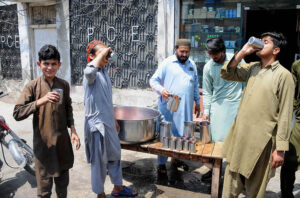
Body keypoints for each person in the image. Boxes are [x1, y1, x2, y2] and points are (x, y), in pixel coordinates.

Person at [220, 32, 294, 198]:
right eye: (260, 41)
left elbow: (286, 113)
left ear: (276, 50)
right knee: (229, 186)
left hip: (262, 143)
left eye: (265, 42)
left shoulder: (284, 76)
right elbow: (227, 74)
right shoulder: (252, 68)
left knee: (255, 189)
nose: (260, 44)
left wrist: (280, 149)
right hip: (240, 138)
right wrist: (243, 53)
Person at [13, 45, 81, 198]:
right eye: (46, 64)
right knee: (44, 192)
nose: (49, 68)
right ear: (39, 64)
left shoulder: (63, 85)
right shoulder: (32, 86)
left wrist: (73, 130)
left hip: (62, 146)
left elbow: (68, 107)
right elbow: (17, 113)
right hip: (43, 148)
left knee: (62, 190)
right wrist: (40, 101)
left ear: (59, 65)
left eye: (53, 64)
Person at [83, 40, 137, 198]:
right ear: (92, 56)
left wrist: (113, 119)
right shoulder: (91, 73)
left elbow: (106, 99)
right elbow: (88, 72)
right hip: (97, 126)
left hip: (108, 123)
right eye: (100, 53)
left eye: (105, 53)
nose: (105, 56)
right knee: (99, 162)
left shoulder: (104, 72)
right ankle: (100, 193)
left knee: (115, 155)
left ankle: (118, 188)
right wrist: (100, 56)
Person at [149, 39, 201, 178]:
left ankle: (176, 158)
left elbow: (195, 84)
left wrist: (197, 101)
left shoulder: (192, 65)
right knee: (166, 135)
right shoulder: (167, 63)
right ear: (175, 49)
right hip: (169, 107)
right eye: (181, 51)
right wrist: (162, 90)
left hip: (186, 107)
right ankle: (161, 163)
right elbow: (153, 81)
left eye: (187, 52)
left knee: (183, 133)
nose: (184, 54)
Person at [201, 38, 244, 182]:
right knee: (214, 143)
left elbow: (246, 83)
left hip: (235, 106)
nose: (213, 58)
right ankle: (215, 171)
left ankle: (235, 174)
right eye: (211, 55)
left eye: (216, 55)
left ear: (223, 51)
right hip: (217, 109)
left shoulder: (237, 61)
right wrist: (206, 111)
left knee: (234, 143)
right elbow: (207, 91)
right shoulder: (208, 67)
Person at [280, 59, 300, 198]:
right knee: (290, 159)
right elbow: (291, 93)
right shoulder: (297, 65)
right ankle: (286, 193)